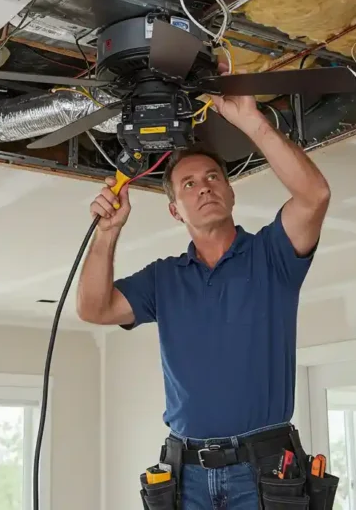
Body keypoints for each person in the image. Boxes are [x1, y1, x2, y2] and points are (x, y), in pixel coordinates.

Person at [75, 86, 330, 509]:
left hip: (263, 471)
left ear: (231, 192)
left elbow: (314, 195)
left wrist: (252, 123)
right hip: (185, 474)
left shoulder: (272, 256)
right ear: (176, 210)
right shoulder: (163, 279)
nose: (205, 188)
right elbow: (93, 308)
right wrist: (107, 233)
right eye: (189, 184)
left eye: (214, 178)